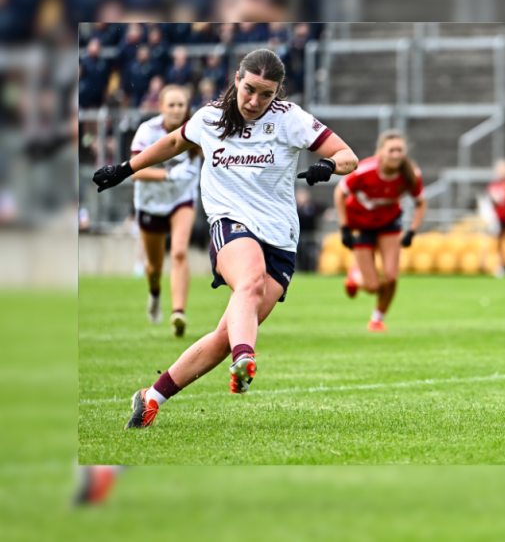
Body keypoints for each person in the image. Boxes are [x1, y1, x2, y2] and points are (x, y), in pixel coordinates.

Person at [92, 48, 358, 429]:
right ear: (237, 79)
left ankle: (151, 396)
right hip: (230, 223)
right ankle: (245, 357)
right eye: (250, 89)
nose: (255, 101)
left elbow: (349, 156)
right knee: (247, 282)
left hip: (281, 237)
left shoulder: (290, 119)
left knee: (224, 334)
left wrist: (328, 165)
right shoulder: (209, 117)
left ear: (278, 92)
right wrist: (124, 168)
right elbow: (173, 143)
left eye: (266, 94)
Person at [335, 129, 426, 332]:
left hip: (388, 224)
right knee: (372, 286)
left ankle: (377, 319)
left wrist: (412, 231)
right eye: (391, 150)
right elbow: (339, 193)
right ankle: (355, 274)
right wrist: (344, 227)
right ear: (381, 152)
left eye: (399, 150)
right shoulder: (364, 171)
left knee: (392, 277)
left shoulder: (411, 174)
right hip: (360, 224)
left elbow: (421, 202)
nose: (396, 155)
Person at [129, 84, 200, 336]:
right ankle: (155, 293)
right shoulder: (147, 131)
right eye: (171, 105)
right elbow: (135, 170)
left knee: (180, 252)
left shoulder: (196, 129)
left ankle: (178, 312)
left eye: (181, 105)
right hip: (151, 203)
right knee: (155, 266)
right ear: (160, 107)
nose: (176, 109)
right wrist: (168, 175)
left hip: (183, 199)